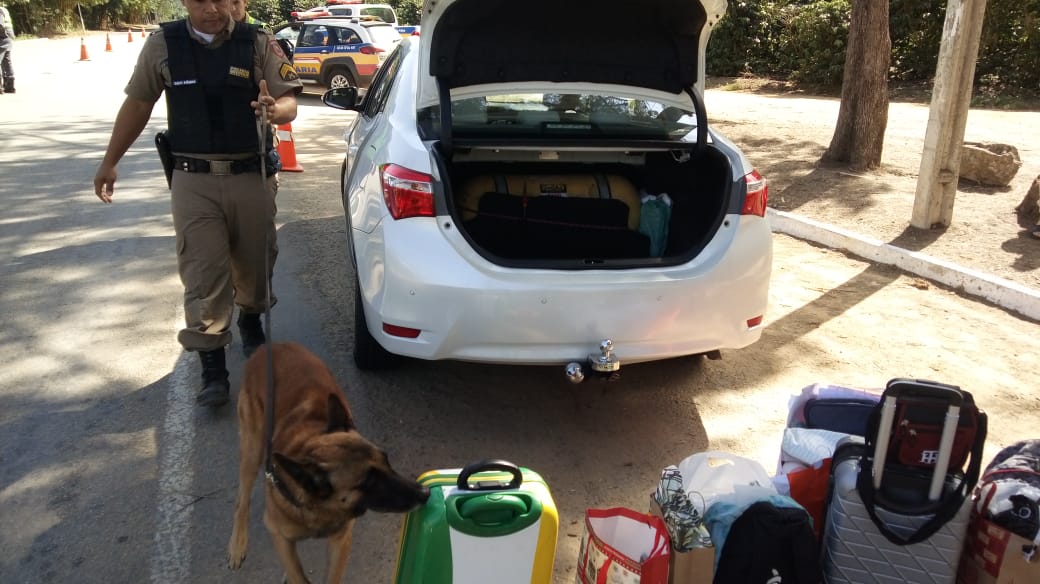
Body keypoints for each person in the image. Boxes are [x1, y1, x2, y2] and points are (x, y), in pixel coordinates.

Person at [93, 0, 302, 408]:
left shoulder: (258, 42)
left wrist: (274, 110)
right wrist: (110, 160)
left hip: (250, 174)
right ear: (185, 1)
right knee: (203, 271)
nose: (212, 8)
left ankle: (250, 318)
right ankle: (213, 367)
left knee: (257, 262)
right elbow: (138, 103)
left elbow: (289, 101)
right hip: (193, 178)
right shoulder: (163, 45)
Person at [0, 4, 15, 94]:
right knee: (6, 61)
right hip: (8, 38)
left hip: (3, 38)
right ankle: (10, 87)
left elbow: (0, 25)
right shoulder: (3, 9)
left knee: (5, 61)